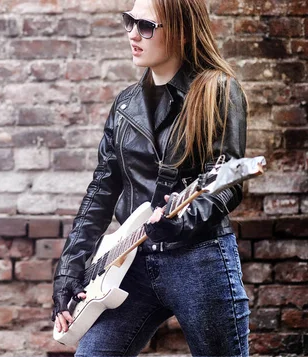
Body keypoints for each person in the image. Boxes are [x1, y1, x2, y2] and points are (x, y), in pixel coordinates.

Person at [51, 0, 250, 356]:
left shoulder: (217, 90)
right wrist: (69, 270)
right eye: (130, 22)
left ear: (182, 32)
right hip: (131, 264)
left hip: (200, 261)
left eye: (146, 26)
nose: (132, 34)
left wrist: (181, 222)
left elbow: (226, 182)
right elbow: (101, 190)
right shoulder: (126, 105)